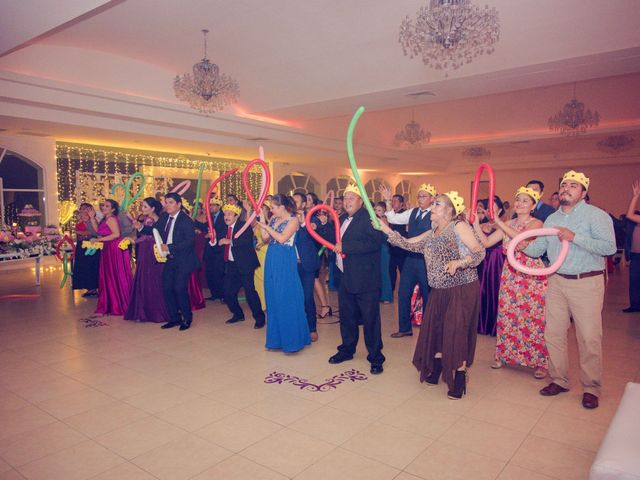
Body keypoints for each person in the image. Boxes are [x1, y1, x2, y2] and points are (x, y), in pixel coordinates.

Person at [524, 170, 616, 409]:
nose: (566, 189)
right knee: (553, 333)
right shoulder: (552, 219)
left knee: (588, 337)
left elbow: (608, 248)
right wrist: (522, 246)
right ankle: (559, 379)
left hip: (586, 282)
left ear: (584, 192)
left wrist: (574, 237)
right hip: (556, 281)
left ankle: (591, 388)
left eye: (573, 186)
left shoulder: (596, 216)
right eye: (564, 185)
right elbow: (539, 249)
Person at [380, 191, 485, 399]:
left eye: (437, 204)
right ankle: (437, 367)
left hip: (461, 289)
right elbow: (408, 243)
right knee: (436, 328)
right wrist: (383, 227)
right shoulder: (433, 231)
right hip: (439, 289)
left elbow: (479, 251)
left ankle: (460, 376)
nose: (432, 208)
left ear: (449, 211)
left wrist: (460, 262)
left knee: (456, 331)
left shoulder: (458, 226)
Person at [474, 188, 548, 379]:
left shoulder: (537, 222)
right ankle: (504, 355)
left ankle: (539, 363)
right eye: (518, 200)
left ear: (533, 206)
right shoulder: (508, 223)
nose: (520, 204)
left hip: (531, 274)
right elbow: (488, 242)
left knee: (533, 317)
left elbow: (521, 239)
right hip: (510, 273)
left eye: (525, 201)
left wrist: (498, 221)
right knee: (508, 313)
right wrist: (475, 224)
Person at [328, 185, 385, 374]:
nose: (347, 201)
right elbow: (327, 235)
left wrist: (346, 246)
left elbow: (375, 242)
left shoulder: (369, 218)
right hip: (345, 276)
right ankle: (347, 349)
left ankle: (376, 357)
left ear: (361, 201)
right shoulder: (342, 219)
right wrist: (307, 224)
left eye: (352, 198)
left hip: (365, 279)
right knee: (347, 316)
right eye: (345, 198)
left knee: (370, 319)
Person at [380, 183, 436, 338]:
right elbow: (394, 218)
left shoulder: (435, 215)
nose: (420, 199)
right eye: (419, 196)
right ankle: (404, 328)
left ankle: (429, 330)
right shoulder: (413, 212)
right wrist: (387, 201)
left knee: (428, 295)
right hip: (410, 258)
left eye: (424, 196)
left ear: (432, 199)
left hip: (426, 260)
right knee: (403, 292)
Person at [258, 194, 310, 352]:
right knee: (273, 297)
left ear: (282, 207)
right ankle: (276, 340)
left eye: (273, 207)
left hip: (285, 260)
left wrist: (267, 226)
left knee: (285, 297)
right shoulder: (274, 219)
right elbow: (266, 237)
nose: (272, 210)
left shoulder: (293, 221)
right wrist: (262, 217)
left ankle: (292, 340)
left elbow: (281, 238)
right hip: (272, 258)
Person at [156, 192, 200, 331]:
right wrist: (139, 227)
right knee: (167, 288)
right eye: (166, 202)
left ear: (178, 204)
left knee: (179, 289)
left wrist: (169, 247)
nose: (167, 205)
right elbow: (154, 229)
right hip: (170, 259)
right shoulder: (164, 217)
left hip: (184, 260)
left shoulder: (186, 220)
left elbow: (189, 242)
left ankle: (187, 318)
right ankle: (174, 318)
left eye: (170, 202)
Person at [220, 203, 266, 329]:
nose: (226, 217)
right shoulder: (225, 227)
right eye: (225, 214)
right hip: (231, 264)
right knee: (228, 292)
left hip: (245, 264)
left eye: (229, 214)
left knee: (250, 293)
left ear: (236, 216)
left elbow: (246, 241)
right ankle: (238, 314)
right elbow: (219, 240)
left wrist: (230, 241)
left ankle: (260, 318)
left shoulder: (243, 226)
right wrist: (214, 240)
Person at [125, 197, 169, 323]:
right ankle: (143, 310)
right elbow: (143, 235)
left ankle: (154, 311)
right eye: (142, 206)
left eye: (145, 206)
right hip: (144, 250)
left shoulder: (155, 219)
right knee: (145, 277)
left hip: (151, 251)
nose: (142, 209)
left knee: (151, 278)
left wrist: (134, 239)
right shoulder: (145, 219)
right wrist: (135, 236)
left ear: (153, 208)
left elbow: (152, 237)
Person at [292, 193, 325, 341]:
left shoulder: (313, 218)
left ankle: (312, 328)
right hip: (290, 264)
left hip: (307, 265)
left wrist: (303, 223)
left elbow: (311, 234)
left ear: (304, 205)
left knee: (307, 297)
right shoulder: (287, 218)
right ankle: (296, 326)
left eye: (297, 201)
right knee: (293, 297)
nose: (293, 203)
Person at [94, 199, 133, 316]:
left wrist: (100, 239)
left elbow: (116, 234)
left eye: (107, 206)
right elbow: (99, 231)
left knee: (115, 274)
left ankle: (119, 303)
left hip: (114, 248)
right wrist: (92, 218)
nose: (104, 207)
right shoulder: (105, 219)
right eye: (103, 205)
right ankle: (112, 303)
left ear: (113, 209)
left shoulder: (111, 218)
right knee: (109, 275)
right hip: (108, 248)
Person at [475, 196, 505, 336]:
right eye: (488, 207)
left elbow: (488, 241)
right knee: (481, 291)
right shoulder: (483, 224)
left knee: (494, 291)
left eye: (493, 207)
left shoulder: (505, 224)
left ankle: (494, 326)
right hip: (483, 260)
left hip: (496, 261)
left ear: (499, 209)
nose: (490, 210)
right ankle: (481, 324)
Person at [72, 203, 100, 297]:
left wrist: (81, 232)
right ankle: (89, 288)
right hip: (82, 246)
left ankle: (94, 288)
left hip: (91, 246)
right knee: (83, 267)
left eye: (85, 208)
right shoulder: (80, 221)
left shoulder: (93, 220)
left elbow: (95, 233)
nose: (82, 210)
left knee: (91, 266)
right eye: (81, 208)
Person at [203, 199, 226, 302]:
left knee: (219, 272)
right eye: (210, 205)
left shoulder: (224, 216)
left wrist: (215, 236)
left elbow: (224, 231)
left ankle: (222, 294)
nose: (211, 207)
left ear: (218, 206)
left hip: (220, 248)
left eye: (213, 205)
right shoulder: (210, 217)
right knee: (210, 272)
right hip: (211, 249)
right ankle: (214, 294)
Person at [623, 180, 640, 313]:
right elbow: (629, 215)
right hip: (636, 255)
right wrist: (635, 197)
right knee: (634, 281)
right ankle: (635, 305)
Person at [388, 194, 407, 294]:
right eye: (392, 201)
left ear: (401, 203)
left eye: (395, 201)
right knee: (391, 271)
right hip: (391, 249)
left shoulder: (404, 215)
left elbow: (404, 232)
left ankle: (404, 292)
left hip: (401, 249)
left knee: (403, 271)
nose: (393, 203)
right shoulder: (391, 214)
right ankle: (390, 291)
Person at [253, 204, 271, 309]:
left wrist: (263, 244)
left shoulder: (271, 222)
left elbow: (271, 238)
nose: (260, 211)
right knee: (258, 278)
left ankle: (266, 303)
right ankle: (260, 303)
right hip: (258, 252)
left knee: (265, 277)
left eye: (263, 209)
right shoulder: (257, 223)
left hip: (266, 251)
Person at [375, 202, 393, 303]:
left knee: (384, 272)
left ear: (384, 212)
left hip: (384, 248)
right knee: (377, 272)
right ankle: (379, 295)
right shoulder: (374, 220)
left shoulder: (384, 220)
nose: (376, 212)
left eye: (379, 210)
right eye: (375, 210)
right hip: (376, 248)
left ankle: (386, 296)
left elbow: (387, 235)